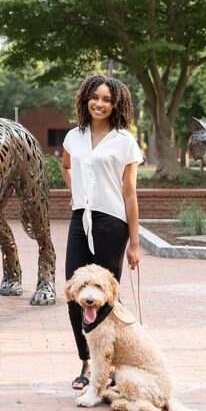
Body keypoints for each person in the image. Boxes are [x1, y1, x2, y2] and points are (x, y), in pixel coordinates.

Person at [62, 74, 144, 390]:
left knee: (106, 296)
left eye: (107, 99)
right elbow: (67, 167)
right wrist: (77, 190)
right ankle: (85, 361)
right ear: (86, 99)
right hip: (79, 220)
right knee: (74, 293)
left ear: (116, 104)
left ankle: (107, 365)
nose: (100, 103)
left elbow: (130, 194)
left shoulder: (125, 141)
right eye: (95, 97)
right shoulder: (74, 137)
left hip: (112, 223)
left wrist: (134, 243)